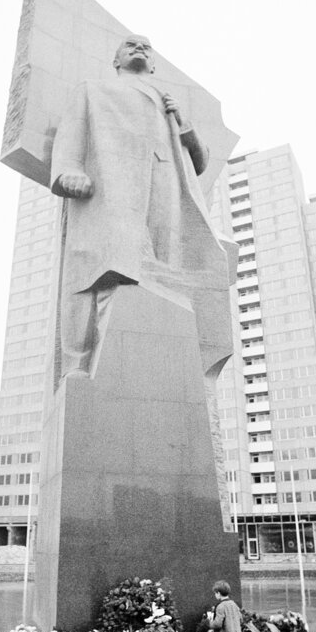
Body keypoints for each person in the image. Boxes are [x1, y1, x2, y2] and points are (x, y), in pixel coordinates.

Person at [49, 34, 233, 379]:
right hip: (112, 186)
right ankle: (79, 362)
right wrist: (68, 171)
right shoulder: (93, 89)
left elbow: (200, 162)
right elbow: (72, 134)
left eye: (146, 47)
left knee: (164, 270)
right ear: (115, 60)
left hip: (164, 183)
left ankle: (168, 348)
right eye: (130, 45)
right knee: (97, 268)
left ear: (153, 63)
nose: (139, 49)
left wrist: (184, 124)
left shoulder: (169, 103)